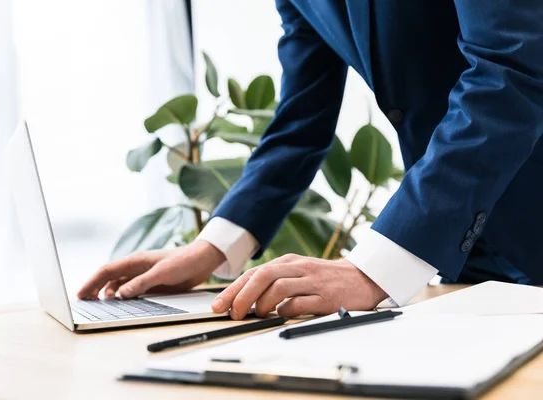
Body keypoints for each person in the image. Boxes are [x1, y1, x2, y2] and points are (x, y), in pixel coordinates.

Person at [78, 0, 543, 319]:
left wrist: (375, 267)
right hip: (469, 256)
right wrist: (215, 247)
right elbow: (303, 113)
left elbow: (511, 69)